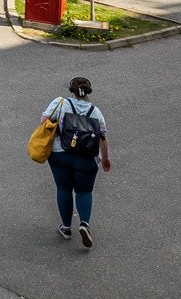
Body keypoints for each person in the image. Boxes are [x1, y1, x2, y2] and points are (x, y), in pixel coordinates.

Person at [42, 76, 112, 247]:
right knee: (84, 191)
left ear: (71, 91)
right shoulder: (95, 112)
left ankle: (66, 228)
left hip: (60, 155)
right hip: (86, 159)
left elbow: (44, 121)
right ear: (88, 92)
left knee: (63, 188)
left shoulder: (60, 103)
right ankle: (84, 224)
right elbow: (102, 138)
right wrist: (105, 159)